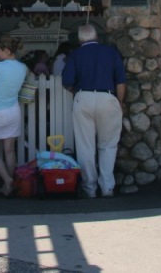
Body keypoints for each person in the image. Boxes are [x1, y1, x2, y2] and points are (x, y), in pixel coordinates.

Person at [61, 23, 126, 198]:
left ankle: (89, 187)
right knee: (108, 144)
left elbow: (67, 80)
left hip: (83, 97)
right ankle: (107, 187)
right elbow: (120, 80)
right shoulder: (111, 52)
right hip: (108, 97)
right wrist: (120, 101)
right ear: (96, 36)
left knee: (85, 146)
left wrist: (76, 91)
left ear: (80, 39)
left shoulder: (75, 55)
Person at [0, 35, 28, 197]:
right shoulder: (22, 68)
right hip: (13, 110)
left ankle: (7, 180)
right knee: (10, 150)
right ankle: (9, 185)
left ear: (7, 50)